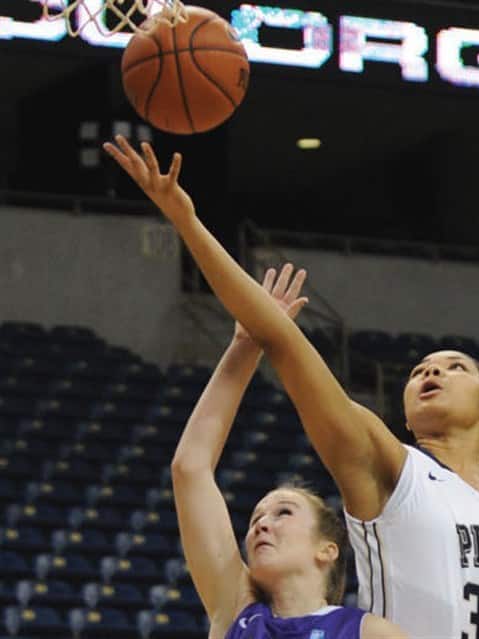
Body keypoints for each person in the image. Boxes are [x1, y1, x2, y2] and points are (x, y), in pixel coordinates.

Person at [105, 135, 479, 639]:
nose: (430, 373)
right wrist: (188, 224)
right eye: (419, 370)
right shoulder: (388, 464)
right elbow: (284, 343)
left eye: (453, 368)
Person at [168, 264, 406, 639]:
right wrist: (245, 346)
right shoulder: (237, 611)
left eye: (283, 513)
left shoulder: (368, 631)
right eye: (256, 519)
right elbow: (190, 468)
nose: (261, 524)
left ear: (327, 550)